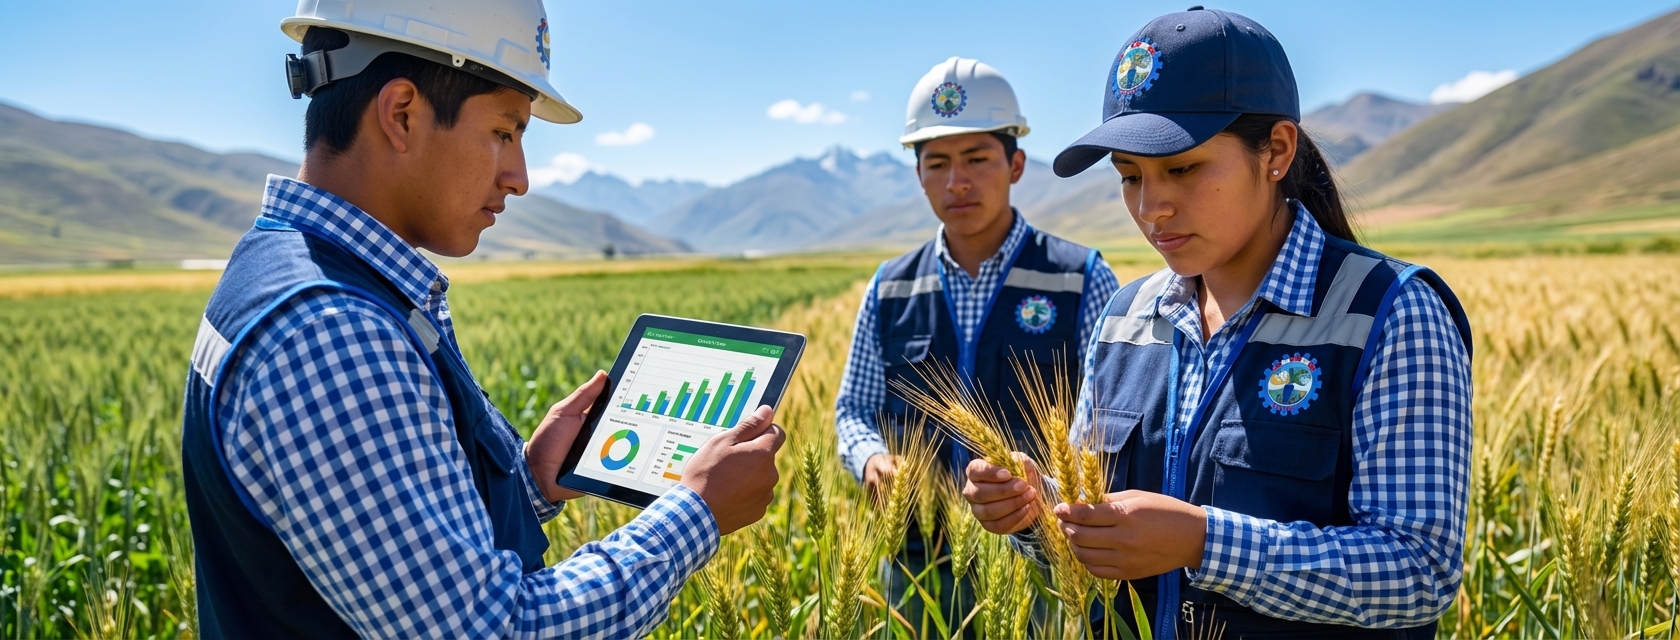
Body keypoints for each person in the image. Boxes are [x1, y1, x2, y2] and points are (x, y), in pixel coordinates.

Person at [180, 2, 783, 637]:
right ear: (402, 114)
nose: (519, 177)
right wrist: (698, 512)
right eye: (504, 131)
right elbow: (494, 629)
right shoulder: (329, 331)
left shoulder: (287, 266)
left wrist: (530, 484)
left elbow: (388, 555)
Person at [960, 7, 1473, 640]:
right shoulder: (1125, 318)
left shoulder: (1392, 314)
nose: (1152, 207)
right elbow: (1092, 549)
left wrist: (1203, 542)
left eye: (1183, 168)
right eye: (1129, 177)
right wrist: (1035, 513)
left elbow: (1421, 573)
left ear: (1276, 152)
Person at [834, 56, 1121, 621]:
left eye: (977, 159)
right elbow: (852, 407)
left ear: (1015, 164)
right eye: (936, 163)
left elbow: (1108, 429)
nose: (956, 181)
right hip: (917, 566)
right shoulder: (891, 287)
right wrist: (868, 458)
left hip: (1044, 567)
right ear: (918, 175)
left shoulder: (1080, 277)